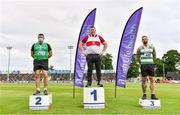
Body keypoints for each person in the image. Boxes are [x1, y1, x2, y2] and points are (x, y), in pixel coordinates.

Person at [137, 35, 158, 100]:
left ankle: (152, 94)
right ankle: (144, 94)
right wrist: (141, 63)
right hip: (143, 65)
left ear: (148, 39)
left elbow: (154, 55)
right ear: (142, 40)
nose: (144, 40)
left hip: (151, 65)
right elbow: (137, 57)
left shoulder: (152, 47)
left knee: (152, 80)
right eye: (143, 39)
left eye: (146, 39)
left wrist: (152, 62)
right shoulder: (139, 48)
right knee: (144, 80)